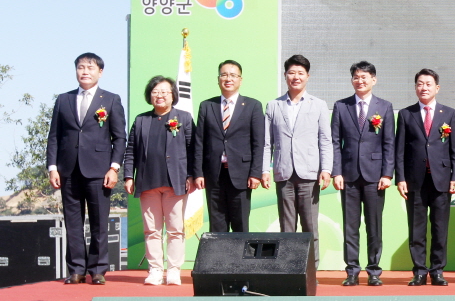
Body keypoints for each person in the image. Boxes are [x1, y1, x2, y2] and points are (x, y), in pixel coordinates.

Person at [46, 53, 127, 285]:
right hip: (67, 170)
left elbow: (119, 138)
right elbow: (54, 136)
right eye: (81, 67)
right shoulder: (63, 99)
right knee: (73, 222)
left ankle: (98, 269)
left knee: (99, 222)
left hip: (99, 170)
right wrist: (52, 166)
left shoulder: (110, 99)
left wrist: (114, 168)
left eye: (90, 68)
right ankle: (76, 269)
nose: (85, 72)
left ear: (100, 72)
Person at [261, 55, 333, 268]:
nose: (296, 77)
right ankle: (288, 268)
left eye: (300, 73)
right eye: (292, 72)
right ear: (285, 76)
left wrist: (326, 169)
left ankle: (311, 268)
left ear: (307, 77)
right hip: (283, 173)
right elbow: (267, 143)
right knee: (287, 226)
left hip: (309, 174)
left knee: (310, 226)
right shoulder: (273, 105)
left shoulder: (318, 105)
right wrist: (265, 169)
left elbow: (325, 141)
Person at [122, 76, 194, 286]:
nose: (160, 95)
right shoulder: (141, 120)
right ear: (149, 95)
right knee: (151, 230)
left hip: (176, 182)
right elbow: (130, 151)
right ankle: (155, 269)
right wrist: (128, 176)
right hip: (148, 182)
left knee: (175, 229)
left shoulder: (184, 118)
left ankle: (173, 270)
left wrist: (191, 174)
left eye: (164, 91)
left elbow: (193, 150)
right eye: (155, 92)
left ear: (173, 95)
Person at [331, 61, 395, 286]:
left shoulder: (384, 107)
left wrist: (387, 174)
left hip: (375, 176)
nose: (360, 81)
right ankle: (351, 270)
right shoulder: (341, 106)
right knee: (350, 225)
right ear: (352, 80)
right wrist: (336, 172)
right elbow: (335, 142)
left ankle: (374, 270)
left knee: (374, 225)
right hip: (348, 175)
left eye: (365, 77)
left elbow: (389, 143)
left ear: (373, 80)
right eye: (356, 77)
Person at [395, 69, 455, 285]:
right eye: (420, 84)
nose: (424, 88)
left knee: (440, 228)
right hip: (415, 180)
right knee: (417, 228)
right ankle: (420, 271)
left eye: (428, 84)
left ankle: (437, 270)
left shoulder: (449, 114)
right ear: (415, 88)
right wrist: (401, 178)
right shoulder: (406, 114)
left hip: (441, 179)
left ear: (437, 88)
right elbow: (400, 150)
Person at [193, 60, 265, 232]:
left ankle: (239, 260)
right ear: (218, 79)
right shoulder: (207, 106)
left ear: (240, 79)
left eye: (233, 75)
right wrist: (198, 173)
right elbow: (199, 142)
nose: (228, 79)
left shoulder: (253, 106)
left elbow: (258, 143)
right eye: (224, 75)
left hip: (242, 175)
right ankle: (220, 260)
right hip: (214, 175)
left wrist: (256, 173)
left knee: (240, 224)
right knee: (217, 225)